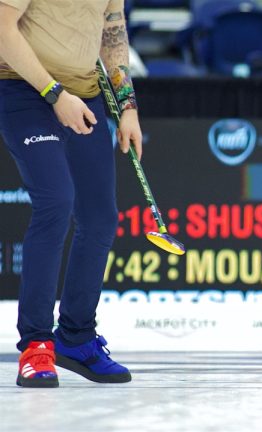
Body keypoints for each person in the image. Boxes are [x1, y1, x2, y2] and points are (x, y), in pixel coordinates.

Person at [0, 0, 141, 387]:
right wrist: (54, 94)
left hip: (85, 95)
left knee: (99, 219)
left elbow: (112, 32)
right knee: (56, 202)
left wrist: (128, 107)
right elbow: (2, 29)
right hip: (24, 90)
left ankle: (76, 338)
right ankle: (35, 345)